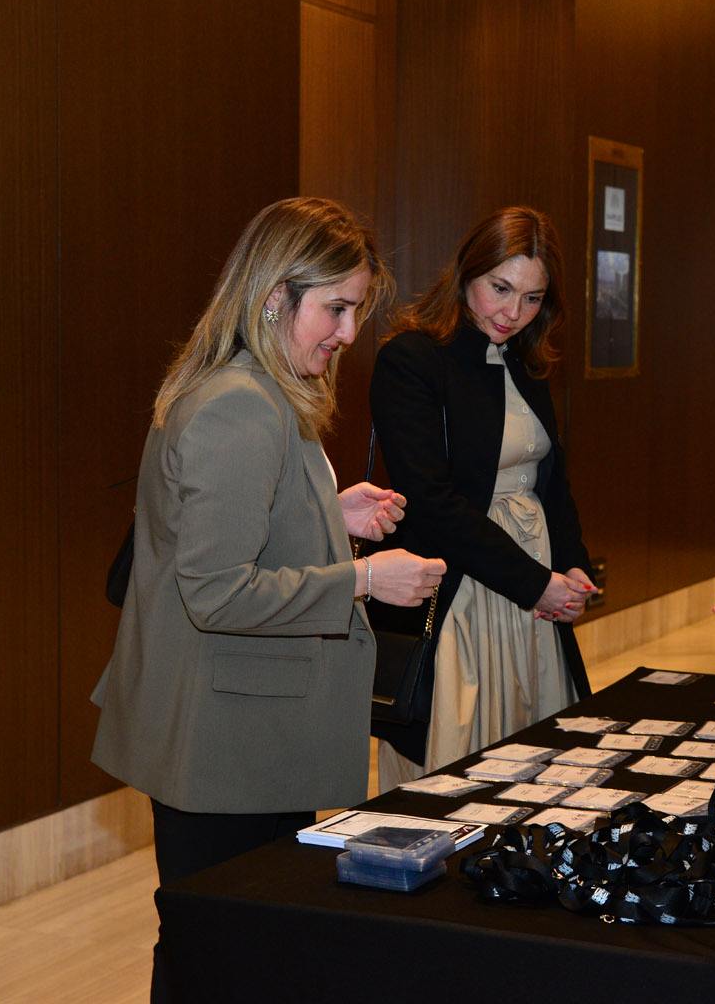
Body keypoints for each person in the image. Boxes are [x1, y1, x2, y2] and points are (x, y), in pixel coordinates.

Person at [88, 197, 446, 1001]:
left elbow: (227, 529)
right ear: (277, 294)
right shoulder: (240, 406)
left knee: (224, 950)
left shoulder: (247, 387)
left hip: (239, 736)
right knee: (221, 957)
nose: (348, 333)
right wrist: (364, 579)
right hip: (228, 746)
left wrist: (328, 512)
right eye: (337, 309)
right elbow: (218, 592)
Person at [369, 206, 595, 788]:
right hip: (460, 594)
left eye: (532, 298)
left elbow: (551, 484)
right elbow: (432, 500)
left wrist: (572, 565)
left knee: (541, 769)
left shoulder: (525, 361)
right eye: (500, 288)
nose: (512, 313)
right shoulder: (412, 359)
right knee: (456, 773)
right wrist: (535, 582)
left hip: (533, 594)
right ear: (467, 272)